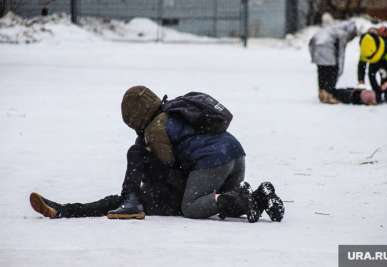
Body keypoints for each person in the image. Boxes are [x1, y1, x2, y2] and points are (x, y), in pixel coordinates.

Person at [30, 86, 285, 223]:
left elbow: (170, 165)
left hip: (211, 162)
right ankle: (258, 197)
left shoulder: (156, 129)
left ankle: (246, 200)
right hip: (235, 155)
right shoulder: (173, 111)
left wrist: (144, 155)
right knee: (213, 201)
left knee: (192, 206)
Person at [309, 20, 358, 104]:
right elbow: (341, 53)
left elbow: (311, 42)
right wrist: (340, 69)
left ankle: (322, 92)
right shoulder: (342, 33)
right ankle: (329, 95)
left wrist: (314, 57)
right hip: (328, 53)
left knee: (322, 72)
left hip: (317, 52)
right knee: (332, 73)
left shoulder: (328, 29)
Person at [358, 26, 387, 104]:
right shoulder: (365, 47)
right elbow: (361, 65)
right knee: (371, 74)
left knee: (384, 76)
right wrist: (361, 79)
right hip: (375, 59)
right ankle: (377, 95)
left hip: (386, 60)